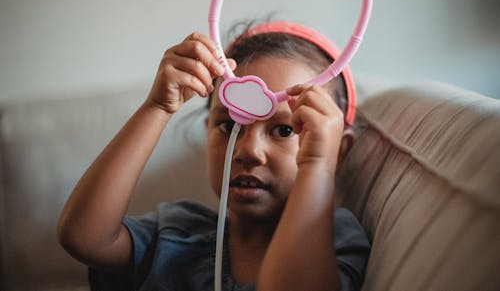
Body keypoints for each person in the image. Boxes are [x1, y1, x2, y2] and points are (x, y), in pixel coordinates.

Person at [57, 21, 371, 291]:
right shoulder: (176, 234)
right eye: (228, 125)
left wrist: (317, 165)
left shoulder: (336, 240)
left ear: (338, 151)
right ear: (208, 130)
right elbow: (84, 238)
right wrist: (158, 107)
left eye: (284, 131)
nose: (248, 151)